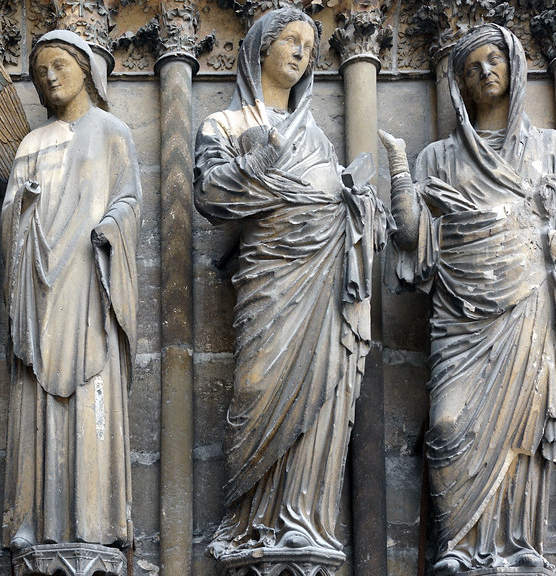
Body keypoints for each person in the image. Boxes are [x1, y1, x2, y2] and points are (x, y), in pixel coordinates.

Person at [379, 24, 556, 575]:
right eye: (472, 66)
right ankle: (457, 546)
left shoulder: (549, 146)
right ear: (458, 85)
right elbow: (411, 239)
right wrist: (402, 172)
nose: (485, 70)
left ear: (516, 66)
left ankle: (519, 545)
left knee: (522, 435)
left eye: (495, 59)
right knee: (449, 424)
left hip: (529, 304)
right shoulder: (437, 159)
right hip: (459, 315)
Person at [195, 7, 387, 559]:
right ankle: (252, 523)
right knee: (257, 385)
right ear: (259, 50)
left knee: (323, 396)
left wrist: (361, 208)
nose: (302, 53)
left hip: (325, 282)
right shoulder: (226, 125)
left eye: (309, 45)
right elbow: (211, 196)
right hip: (271, 280)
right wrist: (260, 159)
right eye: (291, 41)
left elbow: (339, 202)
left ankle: (304, 519)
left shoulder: (320, 140)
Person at [2, 29, 141, 552]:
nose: (51, 77)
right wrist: (24, 206)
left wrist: (110, 229)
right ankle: (37, 521)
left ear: (86, 68)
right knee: (36, 402)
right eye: (41, 72)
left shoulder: (111, 131)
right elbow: (9, 217)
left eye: (59, 65)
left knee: (93, 398)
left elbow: (130, 199)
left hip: (91, 281)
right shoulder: (31, 144)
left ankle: (96, 522)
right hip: (41, 290)